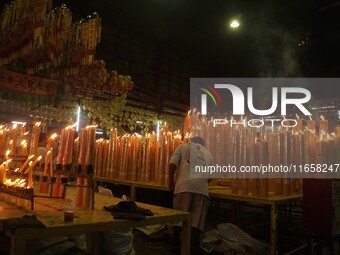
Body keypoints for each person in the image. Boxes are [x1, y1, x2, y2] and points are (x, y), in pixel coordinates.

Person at [168, 136, 214, 254]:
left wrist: (170, 180)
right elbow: (211, 175)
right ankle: (191, 247)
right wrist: (202, 183)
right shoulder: (207, 153)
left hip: (184, 186)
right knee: (196, 221)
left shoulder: (182, 147)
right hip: (201, 189)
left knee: (179, 216)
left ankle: (176, 245)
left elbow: (172, 164)